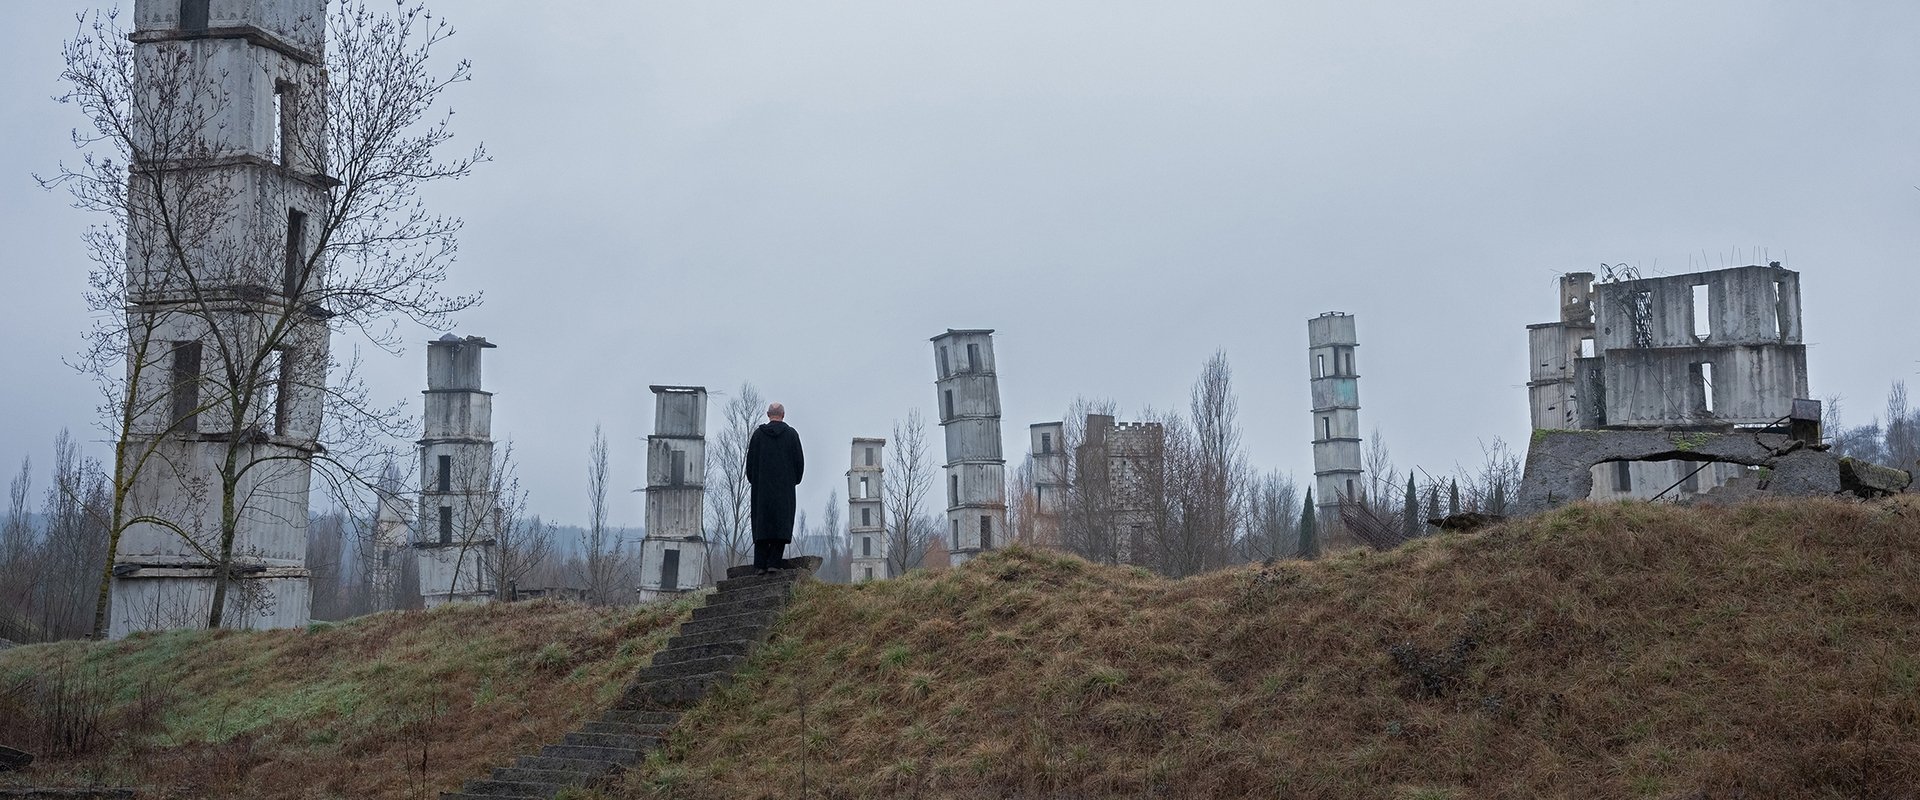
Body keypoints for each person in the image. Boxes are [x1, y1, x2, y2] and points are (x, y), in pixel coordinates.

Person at [745, 401, 805, 574]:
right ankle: (774, 563)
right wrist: (792, 481)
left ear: (767, 414)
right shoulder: (792, 435)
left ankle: (759, 565)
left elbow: (750, 466)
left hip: (761, 491)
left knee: (761, 524)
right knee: (781, 524)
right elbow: (799, 464)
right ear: (783, 415)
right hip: (784, 491)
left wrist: (756, 481)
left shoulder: (758, 436)